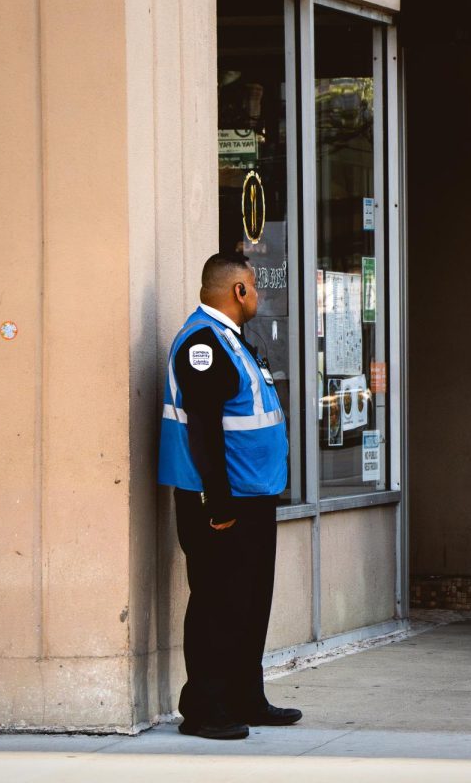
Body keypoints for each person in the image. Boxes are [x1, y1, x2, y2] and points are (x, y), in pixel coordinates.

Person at [158, 251, 301, 739]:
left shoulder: (234, 341)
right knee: (217, 603)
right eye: (255, 286)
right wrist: (218, 504)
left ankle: (245, 697)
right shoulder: (203, 344)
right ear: (239, 290)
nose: (258, 294)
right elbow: (203, 430)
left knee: (250, 601)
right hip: (220, 502)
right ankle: (203, 708)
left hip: (253, 496)